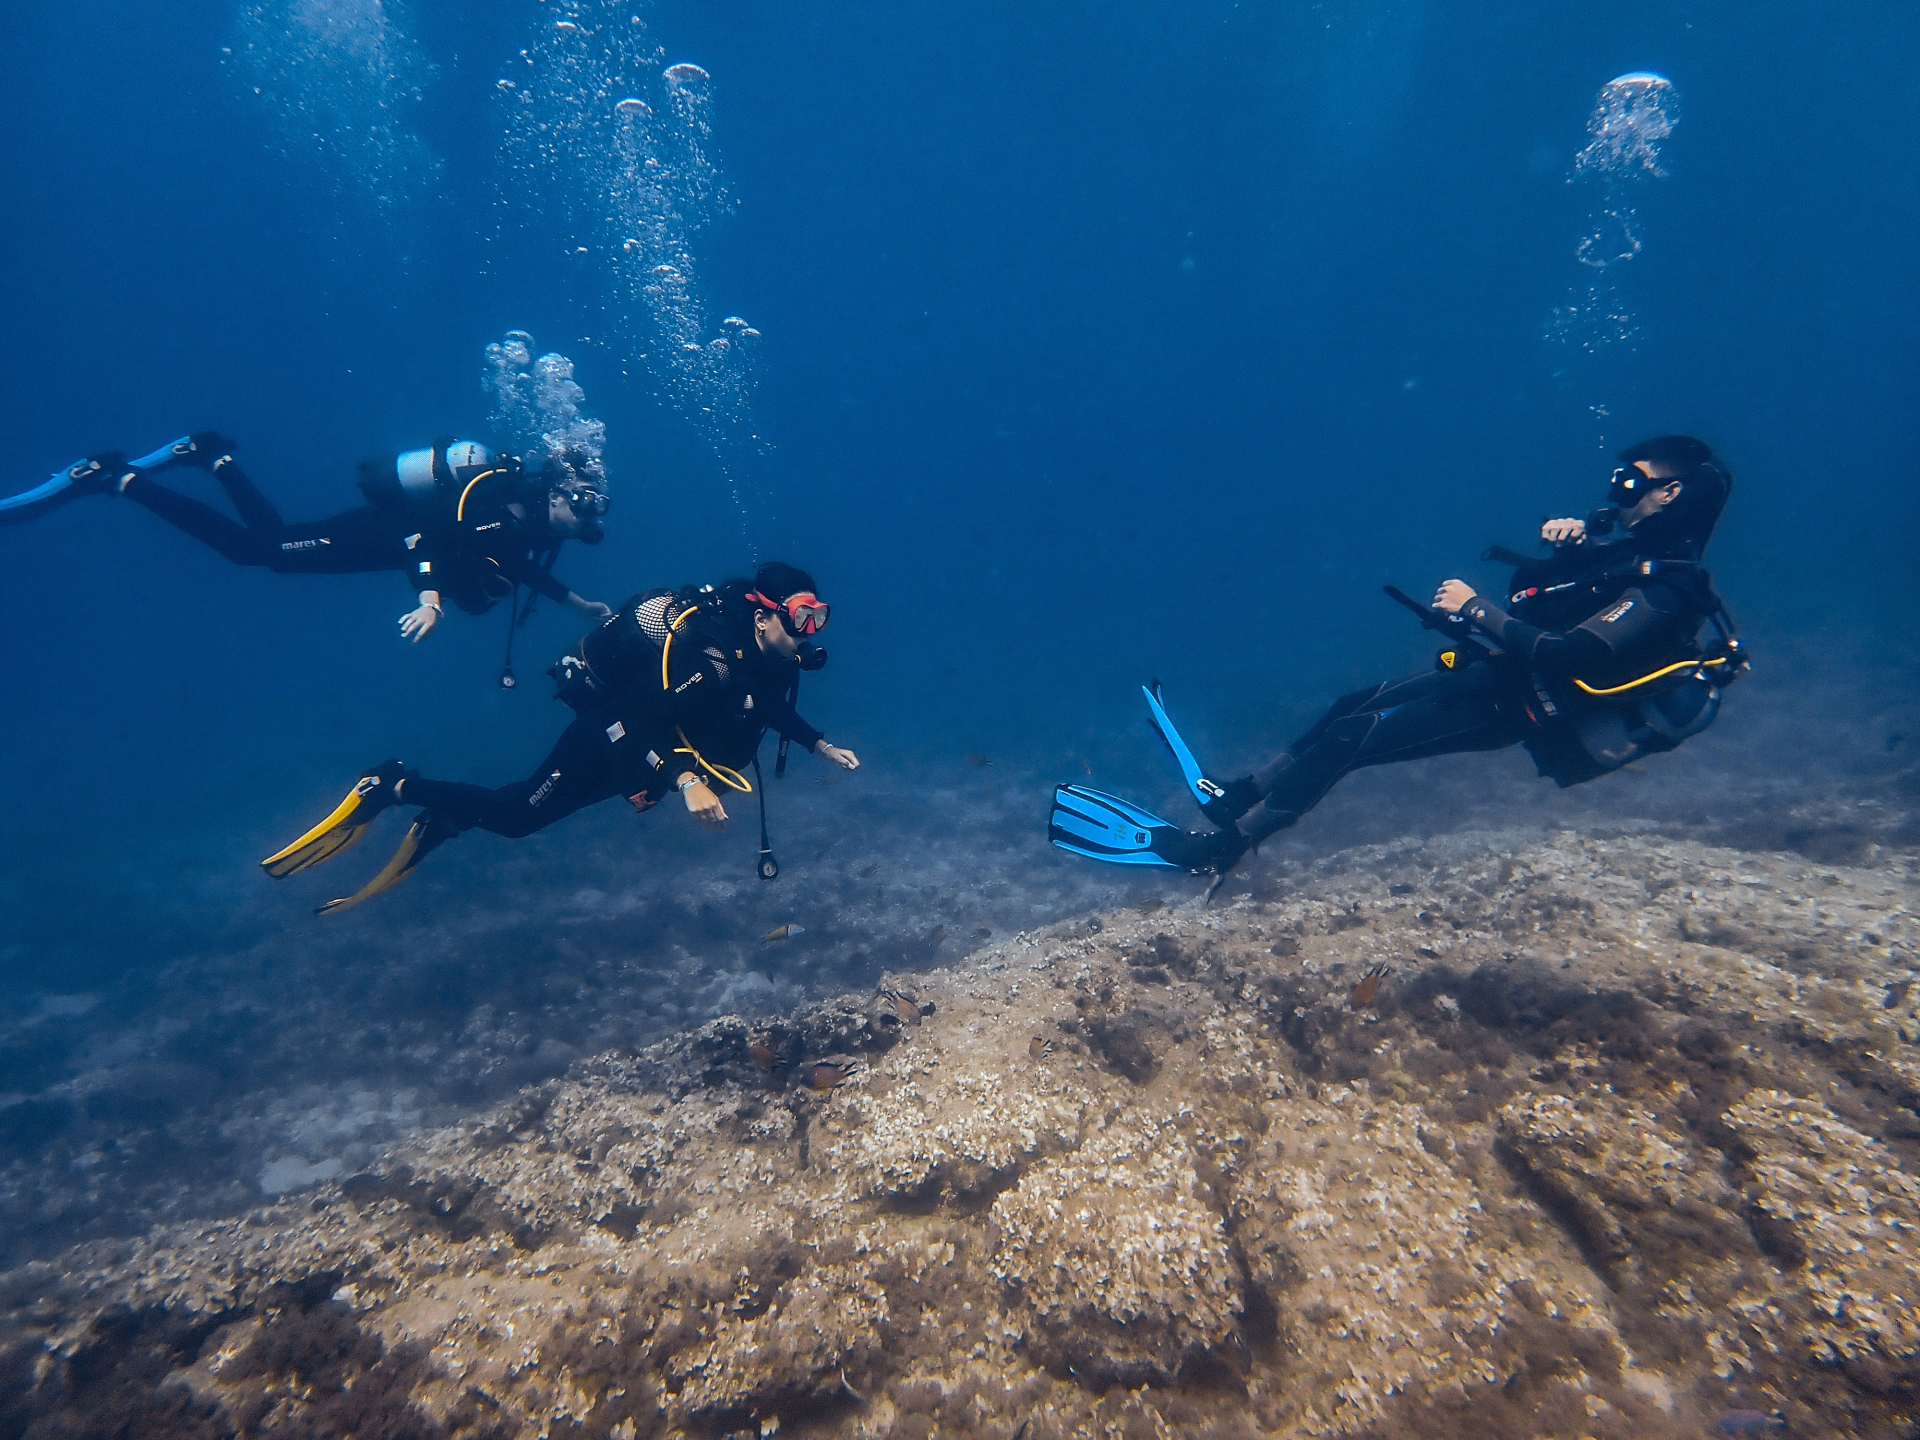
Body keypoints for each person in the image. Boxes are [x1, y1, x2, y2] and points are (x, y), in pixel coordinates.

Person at [1049, 436, 1746, 879]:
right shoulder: (1626, 557)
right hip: (1499, 676)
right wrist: (1566, 553)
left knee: (1355, 739)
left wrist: (1477, 612)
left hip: (1526, 704)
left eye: (1630, 481)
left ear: (1670, 493)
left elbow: (1571, 653)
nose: (1615, 493)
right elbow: (1540, 600)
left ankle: (1214, 852)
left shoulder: (1670, 586)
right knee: (1350, 707)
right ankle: (1241, 794)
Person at [260, 562, 861, 913]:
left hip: (645, 761)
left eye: (820, 616)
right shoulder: (708, 657)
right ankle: (391, 786)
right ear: (763, 617)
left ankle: (448, 817)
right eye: (803, 614)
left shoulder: (774, 660)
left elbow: (768, 706)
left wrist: (816, 743)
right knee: (517, 817)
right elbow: (642, 716)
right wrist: (684, 781)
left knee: (513, 810)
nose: (812, 629)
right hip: (610, 736)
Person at [0, 431, 613, 639]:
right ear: (556, 490)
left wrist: (577, 603)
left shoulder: (525, 522)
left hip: (373, 547)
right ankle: (118, 480)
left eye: (593, 512)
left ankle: (211, 456)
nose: (587, 521)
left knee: (269, 543)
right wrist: (428, 598)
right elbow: (428, 544)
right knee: (252, 550)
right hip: (374, 536)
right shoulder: (503, 512)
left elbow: (518, 564)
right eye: (582, 506)